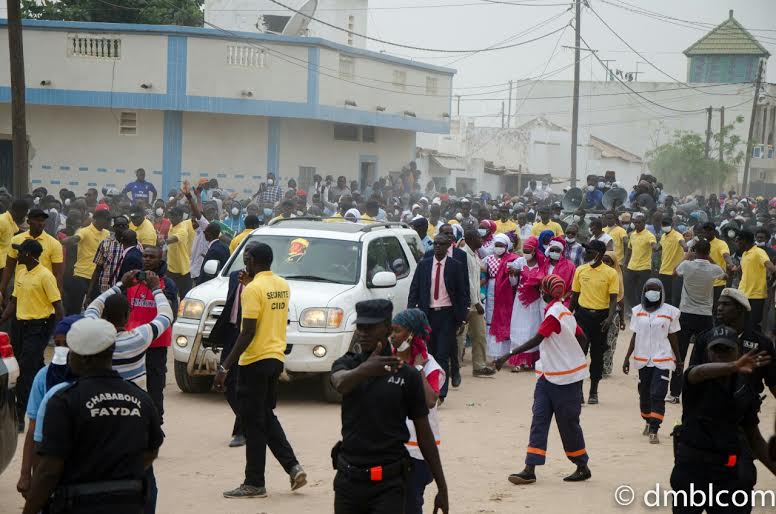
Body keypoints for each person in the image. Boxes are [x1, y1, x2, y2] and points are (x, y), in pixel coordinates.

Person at [21, 317, 164, 514]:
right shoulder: (141, 399)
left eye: (72, 352)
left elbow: (49, 470)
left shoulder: (64, 401)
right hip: (129, 505)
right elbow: (152, 451)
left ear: (84, 358)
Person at [329, 299, 448, 514]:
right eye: (360, 327)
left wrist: (442, 487)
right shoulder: (348, 364)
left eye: (370, 327)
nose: (363, 333)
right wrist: (366, 369)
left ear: (386, 327)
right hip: (349, 481)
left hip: (389, 485)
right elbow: (340, 383)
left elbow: (424, 434)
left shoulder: (406, 374)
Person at [212, 243, 306, 498]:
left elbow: (248, 331)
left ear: (252, 260)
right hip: (275, 358)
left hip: (254, 361)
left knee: (253, 424)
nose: (245, 263)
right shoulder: (281, 285)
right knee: (264, 416)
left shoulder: (252, 289)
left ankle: (255, 482)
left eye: (246, 259)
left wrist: (224, 366)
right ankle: (293, 467)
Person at [495, 275, 591, 484]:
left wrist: (508, 354)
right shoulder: (566, 312)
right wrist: (574, 357)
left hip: (564, 379)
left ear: (545, 293)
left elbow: (537, 339)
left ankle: (582, 465)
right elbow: (582, 339)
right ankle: (530, 468)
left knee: (567, 423)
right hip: (549, 376)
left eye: (541, 290)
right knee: (540, 419)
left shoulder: (555, 314)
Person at [670, 326, 776, 514]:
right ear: (707, 352)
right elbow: (700, 372)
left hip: (727, 473)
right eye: (716, 349)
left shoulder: (743, 388)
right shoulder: (694, 377)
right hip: (691, 470)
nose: (721, 354)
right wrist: (733, 366)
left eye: (727, 349)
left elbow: (755, 439)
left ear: (738, 351)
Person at [0, 239, 64, 431]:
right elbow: (14, 301)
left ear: (28, 254)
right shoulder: (21, 272)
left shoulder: (46, 276)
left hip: (40, 325)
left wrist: (64, 330)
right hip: (20, 325)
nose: (17, 255)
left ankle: (21, 416)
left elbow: (57, 305)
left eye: (20, 252)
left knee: (25, 369)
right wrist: (2, 319)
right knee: (32, 365)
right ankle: (50, 392)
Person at [15, 315, 80, 498]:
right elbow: (33, 428)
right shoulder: (43, 377)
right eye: (57, 344)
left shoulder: (88, 378)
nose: (61, 349)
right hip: (46, 463)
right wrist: (25, 474)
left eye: (66, 344)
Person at [389, 308, 445, 514]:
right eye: (391, 331)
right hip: (391, 448)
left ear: (411, 334)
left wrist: (418, 370)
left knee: (411, 504)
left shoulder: (430, 366)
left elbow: (430, 400)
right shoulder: (388, 360)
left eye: (397, 331)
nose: (392, 336)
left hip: (418, 452)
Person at [408, 234, 469, 403]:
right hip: (427, 314)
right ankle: (429, 386)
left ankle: (440, 391)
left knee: (443, 354)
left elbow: (463, 293)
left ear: (448, 246)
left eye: (441, 244)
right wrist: (410, 313)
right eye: (435, 244)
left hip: (447, 315)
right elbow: (414, 289)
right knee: (429, 352)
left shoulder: (455, 266)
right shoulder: (424, 265)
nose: (437, 247)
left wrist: (462, 318)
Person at [210, 246, 259, 448]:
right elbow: (230, 305)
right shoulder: (233, 276)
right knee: (226, 383)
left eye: (250, 260)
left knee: (243, 385)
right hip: (232, 333)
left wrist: (250, 285)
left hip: (250, 336)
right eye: (244, 259)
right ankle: (250, 422)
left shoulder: (262, 283)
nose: (246, 264)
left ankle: (241, 430)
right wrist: (217, 336)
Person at [622, 279, 680, 444]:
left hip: (662, 359)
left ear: (661, 291)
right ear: (644, 291)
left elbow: (673, 336)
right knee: (644, 394)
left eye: (656, 289)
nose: (652, 292)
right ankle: (647, 420)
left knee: (658, 393)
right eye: (649, 289)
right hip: (642, 358)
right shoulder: (637, 311)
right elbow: (635, 335)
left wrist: (679, 360)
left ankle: (654, 428)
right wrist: (626, 358)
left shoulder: (670, 312)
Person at [667, 239, 725, 402]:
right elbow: (725, 274)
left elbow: (674, 272)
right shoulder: (713, 269)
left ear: (694, 251)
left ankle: (674, 393)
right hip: (705, 316)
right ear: (708, 252)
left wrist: (687, 256)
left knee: (680, 354)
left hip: (686, 314)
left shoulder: (687, 266)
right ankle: (699, 392)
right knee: (704, 355)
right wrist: (710, 258)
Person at [125, 246, 178, 424]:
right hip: (133, 342)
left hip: (156, 343)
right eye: (145, 256)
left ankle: (156, 422)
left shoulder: (167, 283)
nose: (147, 259)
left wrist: (156, 289)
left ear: (160, 259)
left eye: (151, 257)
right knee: (130, 384)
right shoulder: (133, 280)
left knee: (155, 386)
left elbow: (171, 314)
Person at [570, 240, 618, 404]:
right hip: (582, 316)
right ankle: (577, 392)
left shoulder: (610, 273)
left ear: (599, 253)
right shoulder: (580, 270)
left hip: (601, 318)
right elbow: (574, 296)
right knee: (579, 354)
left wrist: (610, 318)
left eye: (589, 251)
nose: (586, 254)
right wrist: (568, 315)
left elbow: (613, 300)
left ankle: (593, 391)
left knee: (597, 356)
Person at [0, 208, 65, 303]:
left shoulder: (54, 244)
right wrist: (1, 291)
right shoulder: (16, 240)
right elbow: (9, 268)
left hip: (41, 292)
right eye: (37, 220)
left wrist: (57, 297)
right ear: (28, 221)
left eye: (43, 221)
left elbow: (58, 274)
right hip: (19, 290)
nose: (41, 223)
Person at [60, 209, 111, 315]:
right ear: (98, 219)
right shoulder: (84, 231)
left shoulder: (107, 233)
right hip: (81, 275)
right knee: (74, 307)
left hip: (97, 276)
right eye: (107, 220)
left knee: (95, 307)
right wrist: (66, 241)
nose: (109, 223)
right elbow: (76, 238)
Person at [459, 229, 493, 377]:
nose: (482, 240)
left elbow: (475, 280)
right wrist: (476, 302)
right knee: (460, 335)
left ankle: (479, 366)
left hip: (476, 301)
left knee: (479, 335)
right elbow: (466, 282)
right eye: (479, 237)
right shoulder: (463, 254)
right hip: (466, 303)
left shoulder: (474, 254)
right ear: (472, 239)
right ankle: (454, 366)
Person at [507, 235, 543, 370]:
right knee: (518, 329)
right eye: (524, 251)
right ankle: (518, 361)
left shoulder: (541, 263)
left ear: (534, 251)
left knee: (532, 329)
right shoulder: (519, 262)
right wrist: (513, 275)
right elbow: (513, 283)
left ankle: (530, 361)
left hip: (534, 300)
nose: (526, 253)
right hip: (520, 300)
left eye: (529, 251)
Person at [482, 234, 517, 363]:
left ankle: (503, 354)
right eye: (497, 245)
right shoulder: (488, 259)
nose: (499, 248)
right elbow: (483, 274)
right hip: (491, 290)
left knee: (504, 319)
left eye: (501, 246)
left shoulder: (512, 259)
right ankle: (494, 354)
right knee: (491, 319)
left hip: (505, 291)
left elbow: (514, 281)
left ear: (507, 246)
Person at [735, 230, 776, 332]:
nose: (737, 243)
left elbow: (770, 266)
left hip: (756, 296)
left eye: (738, 241)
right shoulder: (744, 254)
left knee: (753, 325)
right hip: (742, 295)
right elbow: (739, 270)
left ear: (745, 241)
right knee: (742, 324)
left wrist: (771, 278)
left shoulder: (759, 252)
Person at [87, 215, 130, 302]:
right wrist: (89, 294)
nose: (121, 228)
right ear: (114, 228)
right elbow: (97, 270)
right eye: (119, 225)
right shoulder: (105, 243)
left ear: (128, 227)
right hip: (104, 290)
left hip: (124, 291)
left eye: (124, 225)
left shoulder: (135, 245)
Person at [699, 222, 734, 311]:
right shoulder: (701, 244)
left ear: (714, 231)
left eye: (709, 230)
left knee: (716, 309)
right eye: (705, 230)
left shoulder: (721, 243)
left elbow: (726, 255)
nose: (707, 232)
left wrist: (730, 264)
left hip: (717, 283)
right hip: (704, 282)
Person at [625, 213, 657, 310]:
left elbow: (653, 244)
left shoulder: (649, 235)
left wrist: (656, 247)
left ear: (644, 222)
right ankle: (635, 308)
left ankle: (642, 309)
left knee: (641, 291)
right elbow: (629, 250)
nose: (637, 224)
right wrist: (625, 263)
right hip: (631, 267)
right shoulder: (632, 235)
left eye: (640, 222)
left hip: (644, 268)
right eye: (636, 222)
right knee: (628, 290)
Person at [601, 251, 625, 377]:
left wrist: (622, 319)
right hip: (600, 310)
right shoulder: (599, 274)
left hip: (614, 313)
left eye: (608, 261)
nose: (605, 264)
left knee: (609, 342)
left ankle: (606, 367)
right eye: (603, 261)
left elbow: (621, 298)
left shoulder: (617, 276)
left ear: (614, 263)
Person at [165, 206, 195, 298]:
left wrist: (163, 241)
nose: (172, 218)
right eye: (171, 215)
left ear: (180, 217)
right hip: (171, 268)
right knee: (170, 295)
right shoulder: (171, 226)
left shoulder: (182, 230)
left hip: (183, 270)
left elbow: (172, 239)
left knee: (185, 297)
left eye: (175, 216)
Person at [657, 218, 687, 306]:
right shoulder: (663, 236)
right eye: (664, 225)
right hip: (663, 271)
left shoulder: (677, 235)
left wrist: (685, 247)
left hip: (675, 272)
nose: (665, 227)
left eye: (667, 224)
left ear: (672, 225)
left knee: (676, 297)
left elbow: (682, 243)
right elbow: (658, 247)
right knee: (665, 296)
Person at [0, 199, 29, 283]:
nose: (24, 216)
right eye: (25, 213)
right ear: (20, 211)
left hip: (6, 264)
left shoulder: (11, 221)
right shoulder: (2, 221)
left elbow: (19, 233)